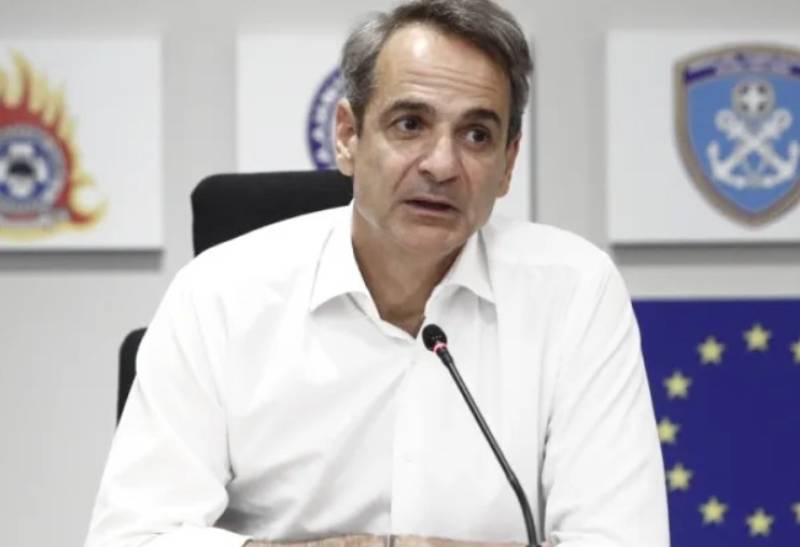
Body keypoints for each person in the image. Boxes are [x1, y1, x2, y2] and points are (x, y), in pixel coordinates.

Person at [87, 1, 669, 546]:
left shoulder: (574, 292)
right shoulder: (219, 294)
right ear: (348, 136)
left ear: (508, 163)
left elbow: (620, 538)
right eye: (410, 124)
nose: (442, 165)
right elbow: (135, 536)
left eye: (477, 135)